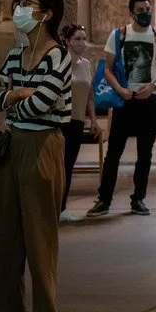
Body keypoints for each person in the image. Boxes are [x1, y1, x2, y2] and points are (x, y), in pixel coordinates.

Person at [0, 0, 71, 312]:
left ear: (45, 13)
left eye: (26, 4)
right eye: (19, 3)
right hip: (12, 146)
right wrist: (15, 96)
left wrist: (14, 98)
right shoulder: (15, 55)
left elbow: (43, 105)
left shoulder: (57, 56)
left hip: (42, 147)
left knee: (39, 238)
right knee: (0, 237)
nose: (19, 8)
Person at [86, 0, 156, 217]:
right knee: (114, 152)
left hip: (150, 101)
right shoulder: (119, 35)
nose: (146, 12)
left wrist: (152, 87)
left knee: (145, 153)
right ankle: (104, 199)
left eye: (148, 8)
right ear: (132, 13)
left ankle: (139, 199)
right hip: (125, 100)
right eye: (141, 9)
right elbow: (107, 68)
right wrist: (120, 90)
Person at [59, 24, 100, 223]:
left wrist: (93, 120)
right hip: (60, 120)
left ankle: (62, 207)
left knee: (68, 165)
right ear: (67, 40)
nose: (81, 43)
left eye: (83, 38)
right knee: (56, 165)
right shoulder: (60, 63)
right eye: (77, 38)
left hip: (76, 121)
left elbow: (90, 95)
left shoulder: (86, 64)